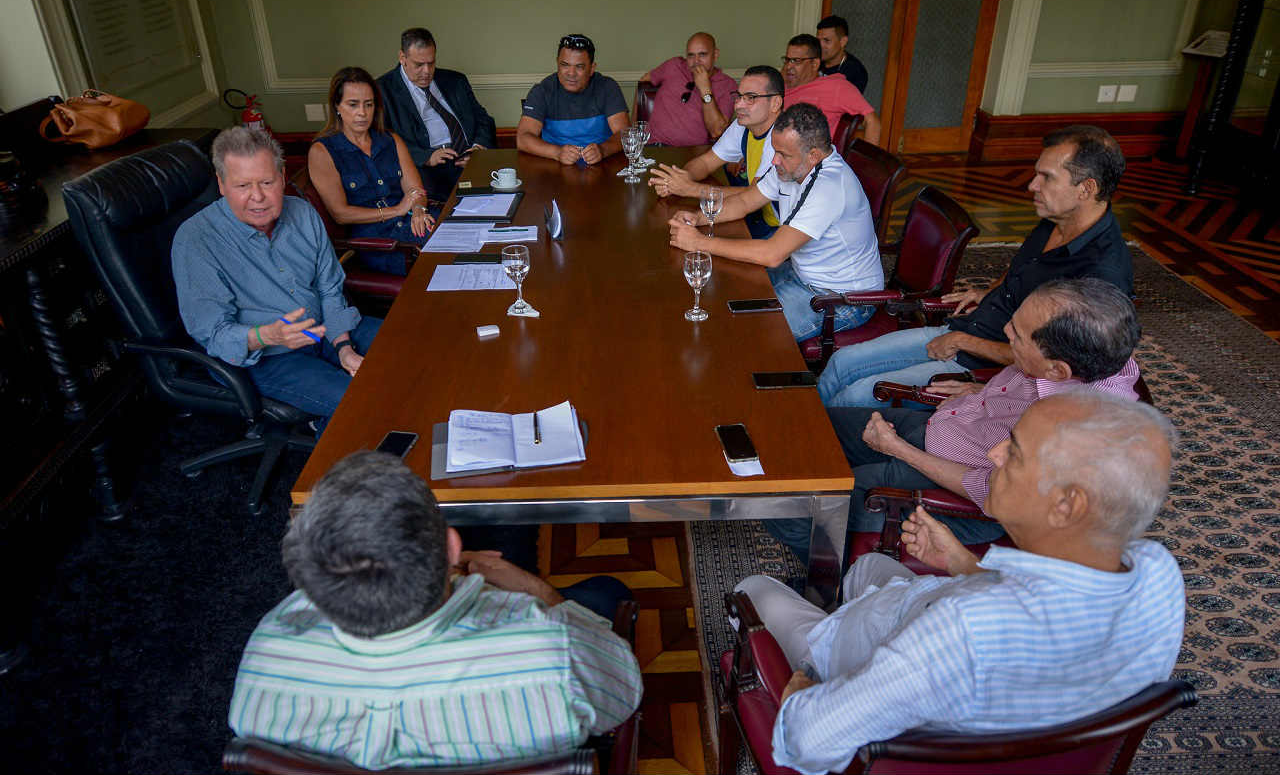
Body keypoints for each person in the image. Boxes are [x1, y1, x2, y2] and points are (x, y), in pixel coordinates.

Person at [737, 391, 1184, 775]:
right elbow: (1047, 609)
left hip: (879, 659)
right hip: (928, 617)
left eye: (1014, 450)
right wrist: (964, 566)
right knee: (868, 565)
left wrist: (800, 691)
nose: (993, 456)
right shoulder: (1159, 574)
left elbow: (808, 740)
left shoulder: (963, 632)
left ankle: (808, 644)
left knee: (752, 591)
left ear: (1066, 505)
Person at [229, 451, 643, 770]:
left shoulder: (267, 653)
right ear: (452, 546)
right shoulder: (548, 650)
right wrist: (538, 592)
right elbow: (624, 693)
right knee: (607, 593)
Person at [767, 278, 1142, 561]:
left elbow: (990, 493)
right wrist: (982, 393)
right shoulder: (1097, 351)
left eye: (1017, 336)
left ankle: (835, 587)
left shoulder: (1070, 436)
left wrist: (898, 449)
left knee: (796, 509)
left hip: (944, 485)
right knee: (811, 430)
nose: (1006, 332)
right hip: (948, 426)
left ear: (1058, 370)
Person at [818, 125, 1133, 408]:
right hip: (963, 332)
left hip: (985, 370)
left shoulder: (1103, 276)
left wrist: (963, 343)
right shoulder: (1055, 218)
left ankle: (821, 462)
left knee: (857, 397)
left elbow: (1052, 363)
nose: (1032, 185)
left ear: (1086, 189)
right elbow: (1024, 266)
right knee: (841, 363)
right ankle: (797, 439)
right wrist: (991, 291)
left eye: (1047, 177)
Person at [172, 127, 381, 428]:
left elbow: (329, 288)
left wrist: (343, 347)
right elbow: (214, 334)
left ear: (282, 177)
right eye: (242, 185)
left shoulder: (303, 213)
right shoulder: (196, 239)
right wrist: (268, 335)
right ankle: (339, 453)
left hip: (319, 331)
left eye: (267, 182)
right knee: (359, 403)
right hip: (261, 356)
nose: (257, 197)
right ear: (221, 184)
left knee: (404, 352)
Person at [667, 103, 882, 341]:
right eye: (774, 151)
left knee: (745, 335)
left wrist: (698, 242)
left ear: (813, 155)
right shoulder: (793, 167)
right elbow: (746, 202)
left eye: (783, 155)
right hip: (801, 274)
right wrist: (699, 217)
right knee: (723, 293)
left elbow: (772, 254)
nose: (774, 161)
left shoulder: (828, 186)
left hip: (842, 297)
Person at [308, 66, 435, 276]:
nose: (362, 113)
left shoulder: (390, 140)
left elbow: (415, 189)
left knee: (468, 243)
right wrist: (397, 210)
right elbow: (340, 214)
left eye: (369, 104)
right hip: (376, 242)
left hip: (412, 224)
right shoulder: (322, 151)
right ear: (337, 106)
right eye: (353, 104)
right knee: (443, 265)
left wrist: (419, 210)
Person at [649, 65, 786, 239]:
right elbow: (705, 162)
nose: (739, 104)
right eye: (738, 96)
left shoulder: (783, 140)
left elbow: (752, 196)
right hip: (758, 219)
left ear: (775, 103)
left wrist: (690, 189)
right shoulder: (742, 126)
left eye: (750, 98)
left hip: (782, 234)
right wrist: (679, 179)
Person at [377, 27, 496, 201]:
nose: (427, 72)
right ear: (403, 58)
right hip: (428, 171)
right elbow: (382, 140)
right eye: (419, 65)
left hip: (473, 162)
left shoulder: (455, 81)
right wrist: (426, 157)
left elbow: (483, 120)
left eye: (431, 63)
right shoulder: (383, 90)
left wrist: (478, 148)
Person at [517, 34, 630, 166]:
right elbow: (523, 138)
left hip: (602, 165)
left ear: (592, 68)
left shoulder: (607, 87)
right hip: (555, 166)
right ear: (557, 63)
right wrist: (557, 152)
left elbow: (624, 133)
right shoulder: (542, 90)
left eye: (579, 67)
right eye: (565, 65)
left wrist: (603, 150)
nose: (571, 73)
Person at [781, 34, 880, 146]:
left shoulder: (836, 86)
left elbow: (872, 122)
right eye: (787, 60)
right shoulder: (780, 86)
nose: (789, 66)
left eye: (796, 61)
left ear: (815, 64)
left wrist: (864, 163)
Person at [641, 31, 736, 147]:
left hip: (695, 152)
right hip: (655, 146)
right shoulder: (674, 66)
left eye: (702, 55)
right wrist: (634, 124)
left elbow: (716, 131)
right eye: (691, 55)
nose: (696, 61)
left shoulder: (728, 85)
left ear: (715, 54)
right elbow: (643, 82)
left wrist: (705, 88)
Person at [816, 15, 869, 93]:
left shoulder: (856, 71)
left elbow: (848, 103)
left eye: (826, 40)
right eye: (818, 40)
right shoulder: (812, 60)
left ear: (843, 42)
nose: (820, 46)